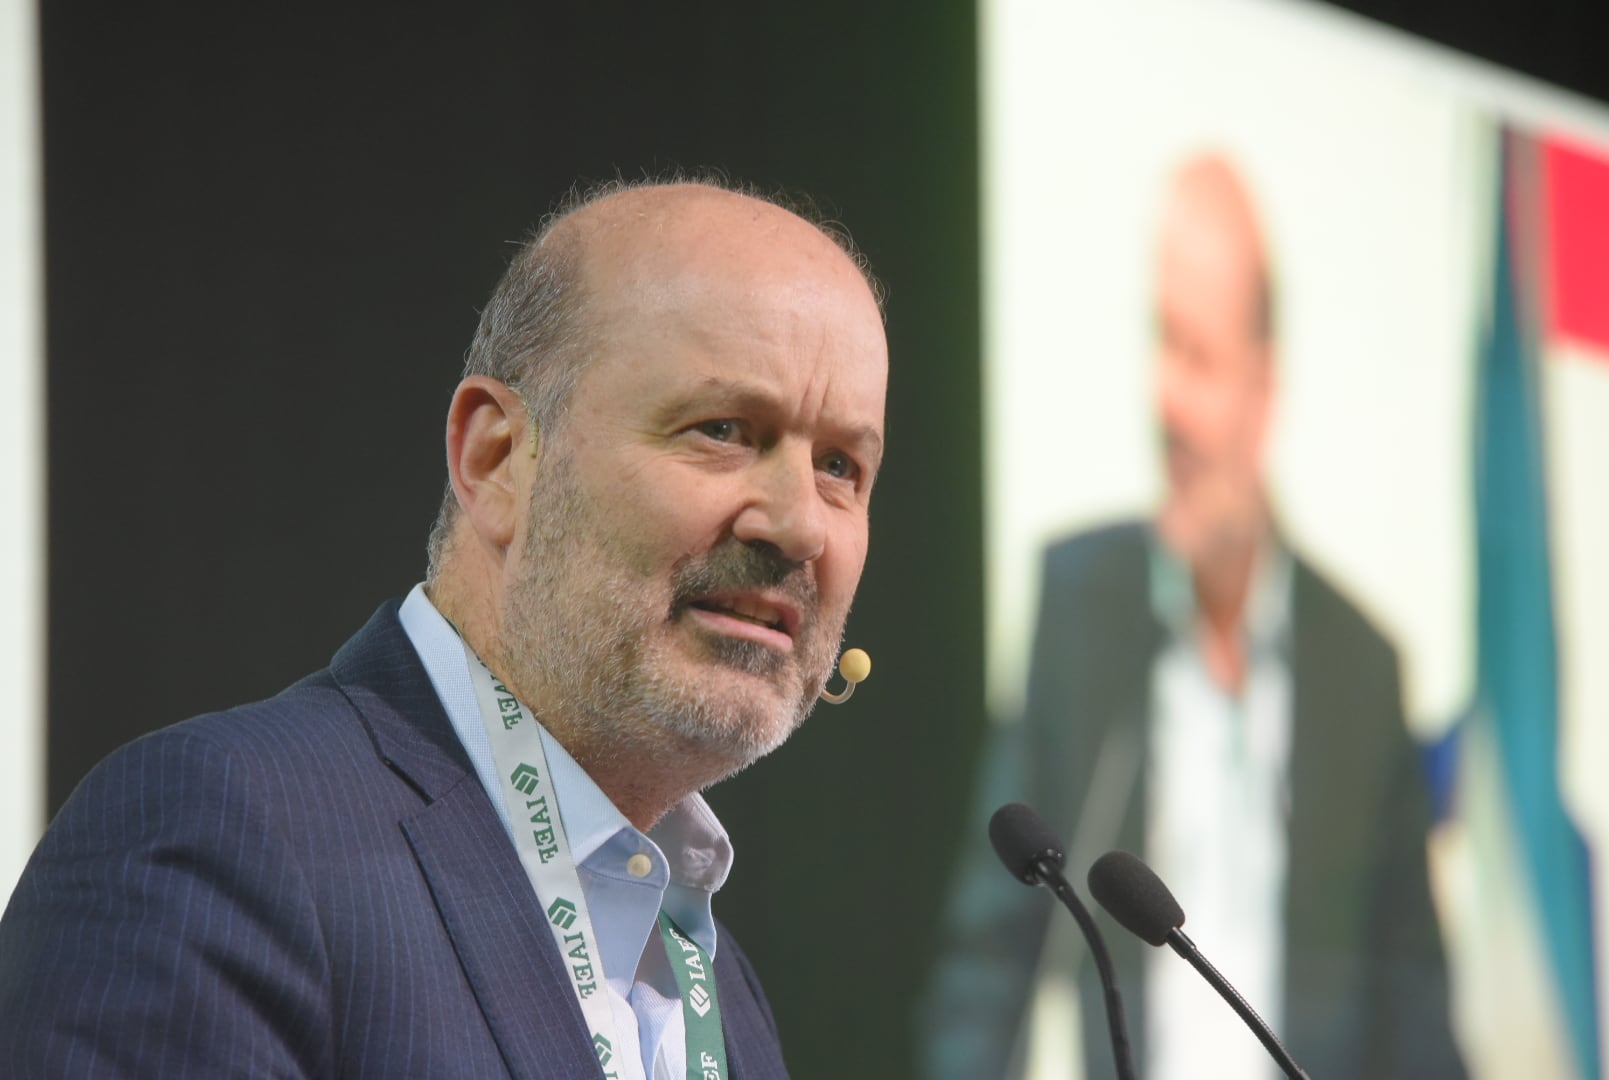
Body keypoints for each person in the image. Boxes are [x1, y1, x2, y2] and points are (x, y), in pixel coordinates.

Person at [0, 178, 889, 1078]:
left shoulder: (717, 988)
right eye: (724, 429)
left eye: (840, 466)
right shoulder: (225, 840)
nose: (801, 524)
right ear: (496, 459)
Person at [921, 155, 1465, 1079]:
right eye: (1160, 343)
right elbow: (990, 960)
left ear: (1264, 389)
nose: (1166, 399)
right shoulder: (1080, 600)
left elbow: (1414, 1008)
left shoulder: (1362, 667)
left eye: (1201, 358)